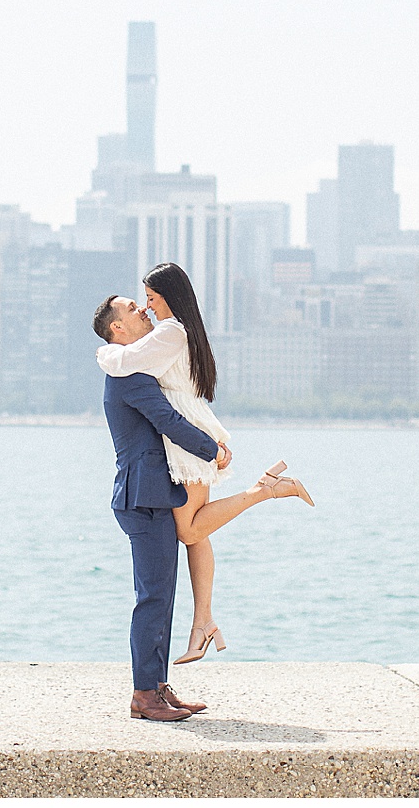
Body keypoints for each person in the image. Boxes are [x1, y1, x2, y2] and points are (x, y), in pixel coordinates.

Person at [95, 265, 312, 673]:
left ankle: (266, 489)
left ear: (168, 296)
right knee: (196, 531)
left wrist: (104, 350)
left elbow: (127, 362)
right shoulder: (178, 331)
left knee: (189, 529)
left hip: (187, 438)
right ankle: (203, 622)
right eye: (139, 303)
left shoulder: (169, 333)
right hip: (191, 432)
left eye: (151, 299)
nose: (146, 307)